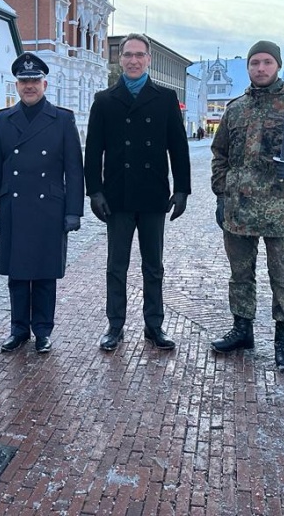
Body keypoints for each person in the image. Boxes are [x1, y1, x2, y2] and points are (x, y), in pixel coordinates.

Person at [210, 40, 284, 370]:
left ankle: (283, 340)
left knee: (282, 276)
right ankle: (242, 329)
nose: (260, 68)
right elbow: (219, 154)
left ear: (277, 66)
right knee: (240, 275)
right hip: (239, 212)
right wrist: (221, 195)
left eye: (266, 62)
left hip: (279, 212)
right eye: (254, 63)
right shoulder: (235, 109)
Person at [84, 33, 191, 352]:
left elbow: (179, 147)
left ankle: (153, 324)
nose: (133, 60)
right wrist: (94, 191)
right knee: (116, 265)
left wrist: (182, 189)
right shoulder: (104, 100)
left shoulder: (165, 97)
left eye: (139, 55)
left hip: (153, 195)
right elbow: (92, 151)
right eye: (127, 55)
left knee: (153, 265)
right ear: (119, 59)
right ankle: (115, 325)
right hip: (117, 197)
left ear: (148, 60)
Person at [0, 53, 84, 354]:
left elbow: (74, 170)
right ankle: (18, 329)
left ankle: (42, 330)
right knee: (17, 274)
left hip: (49, 207)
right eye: (24, 81)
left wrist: (73, 211)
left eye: (34, 81)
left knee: (44, 274)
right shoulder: (3, 119)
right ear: (17, 85)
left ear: (45, 84)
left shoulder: (62, 119)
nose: (29, 86)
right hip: (13, 205)